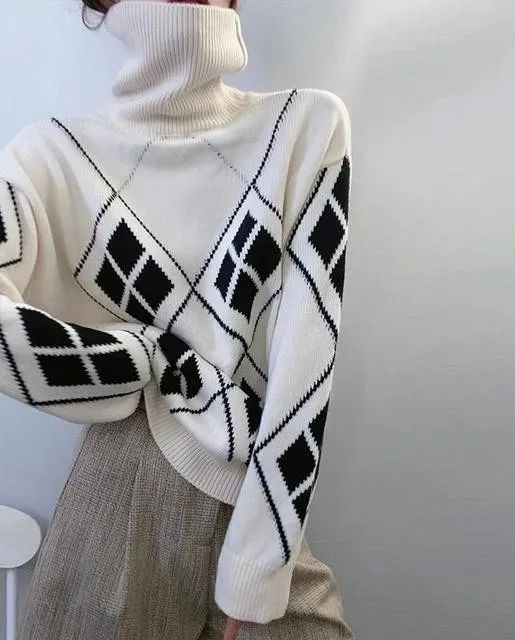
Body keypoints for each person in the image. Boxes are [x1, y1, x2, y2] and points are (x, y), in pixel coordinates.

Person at [0, 0, 354, 638]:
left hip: (257, 482)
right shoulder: (50, 156)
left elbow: (309, 356)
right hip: (120, 476)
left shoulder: (303, 128)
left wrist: (259, 560)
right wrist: (141, 356)